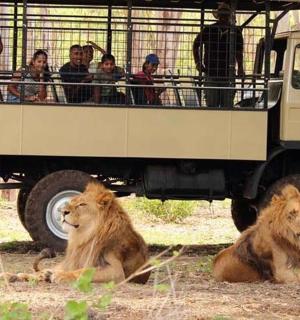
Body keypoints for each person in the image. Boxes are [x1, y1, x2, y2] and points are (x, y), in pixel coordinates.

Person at [193, 2, 244, 108]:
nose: (224, 17)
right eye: (222, 14)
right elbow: (196, 44)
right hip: (212, 73)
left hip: (227, 74)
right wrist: (198, 62)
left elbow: (239, 52)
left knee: (227, 106)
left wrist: (240, 67)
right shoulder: (209, 30)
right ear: (219, 16)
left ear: (229, 16)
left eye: (225, 14)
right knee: (212, 106)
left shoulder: (236, 32)